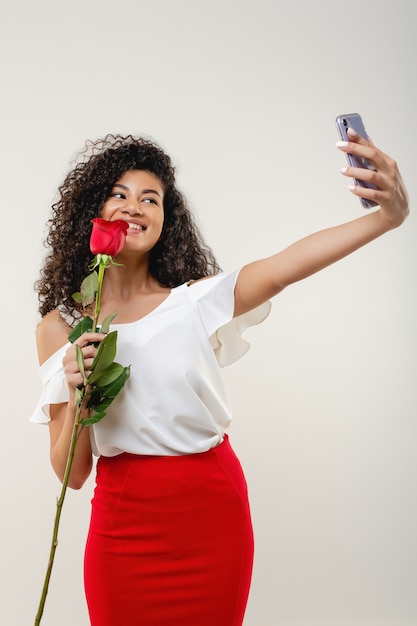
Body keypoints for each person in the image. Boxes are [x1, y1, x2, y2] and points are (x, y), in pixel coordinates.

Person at [30, 129, 409, 626]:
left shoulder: (194, 302)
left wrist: (387, 218)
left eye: (151, 198)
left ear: (167, 220)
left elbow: (285, 267)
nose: (134, 206)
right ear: (91, 212)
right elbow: (71, 475)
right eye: (119, 194)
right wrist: (77, 391)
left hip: (210, 513)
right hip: (124, 523)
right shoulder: (60, 327)